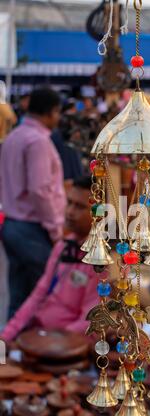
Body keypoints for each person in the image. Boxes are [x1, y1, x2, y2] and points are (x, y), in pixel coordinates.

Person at [0, 178, 101, 342]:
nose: (69, 212)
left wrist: (47, 341)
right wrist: (6, 336)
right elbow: (37, 295)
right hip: (40, 334)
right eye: (69, 203)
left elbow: (89, 323)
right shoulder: (63, 246)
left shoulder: (102, 263)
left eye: (80, 207)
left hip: (63, 347)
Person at [0, 88, 66, 318]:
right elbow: (39, 190)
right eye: (58, 113)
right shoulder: (36, 141)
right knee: (41, 296)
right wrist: (55, 229)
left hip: (13, 224)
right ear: (51, 112)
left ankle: (11, 346)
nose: (58, 119)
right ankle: (30, 348)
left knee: (19, 294)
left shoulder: (14, 136)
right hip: (32, 227)